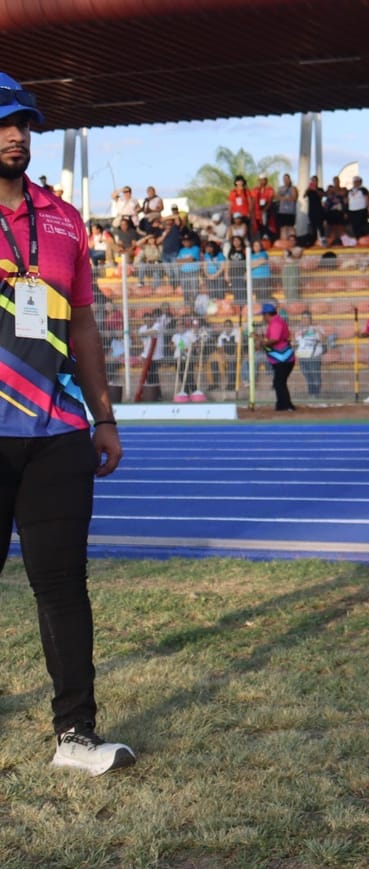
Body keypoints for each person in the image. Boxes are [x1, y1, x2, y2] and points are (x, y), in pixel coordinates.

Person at [0, 73, 135, 775]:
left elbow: (82, 321)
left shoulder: (62, 218)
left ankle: (76, 735)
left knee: (62, 586)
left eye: (23, 122)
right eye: (3, 122)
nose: (15, 133)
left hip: (56, 432)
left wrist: (104, 414)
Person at [258, 301, 295, 411]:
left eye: (263, 315)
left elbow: (274, 339)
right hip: (283, 358)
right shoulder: (277, 322)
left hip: (282, 358)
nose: (262, 318)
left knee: (279, 382)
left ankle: (284, 406)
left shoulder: (276, 323)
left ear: (267, 314)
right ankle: (285, 405)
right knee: (280, 382)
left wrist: (261, 342)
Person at [294, 310, 326, 397]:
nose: (305, 320)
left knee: (316, 375)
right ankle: (311, 393)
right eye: (303, 318)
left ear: (310, 319)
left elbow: (323, 340)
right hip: (302, 356)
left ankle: (316, 394)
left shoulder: (317, 328)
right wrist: (302, 332)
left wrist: (316, 330)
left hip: (314, 355)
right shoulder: (299, 329)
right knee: (307, 375)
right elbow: (296, 341)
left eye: (307, 318)